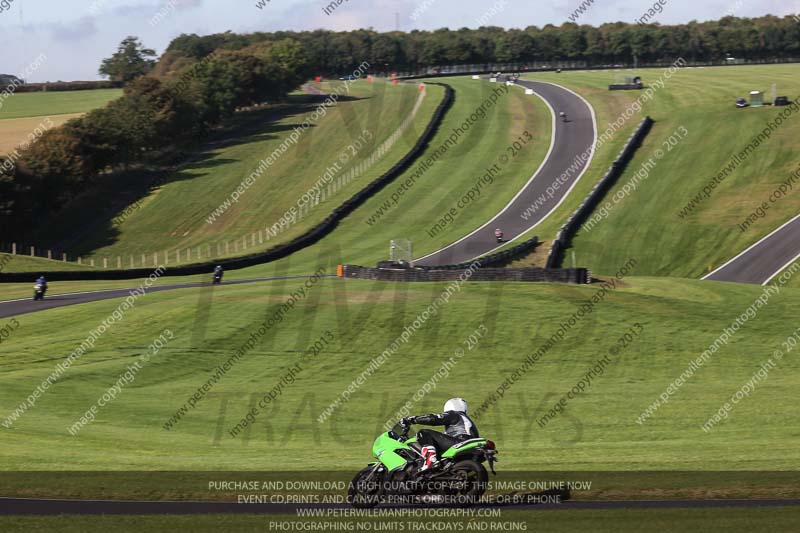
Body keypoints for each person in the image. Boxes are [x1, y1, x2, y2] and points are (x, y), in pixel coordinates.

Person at [401, 398, 479, 471]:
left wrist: (412, 420)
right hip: (469, 448)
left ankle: (430, 459)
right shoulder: (467, 421)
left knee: (424, 433)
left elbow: (433, 419)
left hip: (459, 442)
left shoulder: (454, 414)